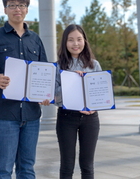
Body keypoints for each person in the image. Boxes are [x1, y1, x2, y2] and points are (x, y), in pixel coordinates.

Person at [0, 0, 48, 179]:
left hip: (31, 115)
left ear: (27, 9)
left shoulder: (35, 39)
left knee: (27, 169)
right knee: (3, 169)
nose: (18, 9)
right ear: (5, 9)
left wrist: (45, 93)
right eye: (13, 5)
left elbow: (44, 70)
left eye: (22, 5)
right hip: (3, 115)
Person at [54, 24, 102, 179]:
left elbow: (100, 92)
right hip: (66, 118)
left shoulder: (94, 65)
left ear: (85, 41)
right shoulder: (58, 65)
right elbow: (55, 97)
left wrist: (93, 107)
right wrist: (72, 81)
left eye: (79, 39)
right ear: (65, 43)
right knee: (67, 165)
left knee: (87, 165)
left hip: (90, 118)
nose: (75, 44)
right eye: (71, 40)